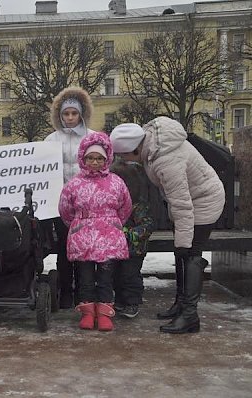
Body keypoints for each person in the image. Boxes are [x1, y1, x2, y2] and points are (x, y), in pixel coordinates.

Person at [110, 117, 225, 334]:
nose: (123, 159)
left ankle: (190, 316)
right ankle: (181, 304)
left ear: (134, 149)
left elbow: (182, 203)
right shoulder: (152, 147)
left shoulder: (166, 159)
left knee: (190, 254)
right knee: (182, 253)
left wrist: (182, 243)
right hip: (188, 201)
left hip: (203, 202)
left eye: (123, 155)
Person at [58, 132, 132, 331]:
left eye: (99, 158)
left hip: (108, 237)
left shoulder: (116, 182)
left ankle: (105, 312)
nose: (95, 162)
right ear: (83, 158)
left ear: (107, 159)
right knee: (85, 278)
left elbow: (125, 207)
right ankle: (88, 313)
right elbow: (65, 210)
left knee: (106, 278)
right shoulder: (74, 184)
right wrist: (78, 225)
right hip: (84, 238)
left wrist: (113, 224)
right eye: (90, 158)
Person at [44, 87, 95, 308]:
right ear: (60, 115)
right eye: (66, 114)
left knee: (86, 250)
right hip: (62, 206)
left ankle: (85, 293)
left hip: (87, 206)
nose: (71, 118)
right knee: (65, 250)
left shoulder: (93, 137)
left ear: (82, 113)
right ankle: (65, 292)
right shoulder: (51, 139)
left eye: (74, 113)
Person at [109, 124, 155, 319]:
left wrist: (127, 235)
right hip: (117, 248)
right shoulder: (113, 206)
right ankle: (120, 300)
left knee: (130, 276)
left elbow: (146, 226)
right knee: (116, 276)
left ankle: (132, 301)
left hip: (134, 248)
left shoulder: (139, 205)